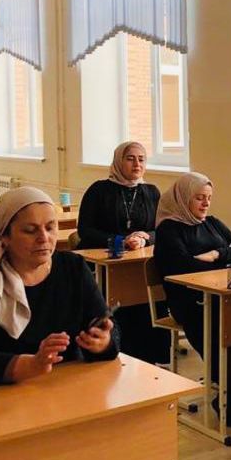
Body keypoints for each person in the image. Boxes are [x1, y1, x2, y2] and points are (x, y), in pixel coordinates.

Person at [0, 187, 119, 385]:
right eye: (30, 230)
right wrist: (32, 365)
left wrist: (103, 342)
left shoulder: (73, 267)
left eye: (50, 228)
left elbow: (106, 326)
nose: (44, 238)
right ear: (4, 236)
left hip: (58, 386)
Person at [154, 172, 231, 427]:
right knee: (222, 328)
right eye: (199, 198)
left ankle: (229, 384)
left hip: (221, 295)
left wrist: (216, 255)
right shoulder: (169, 230)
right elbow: (183, 268)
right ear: (183, 198)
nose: (205, 203)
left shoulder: (211, 223)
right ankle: (226, 392)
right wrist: (225, 261)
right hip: (189, 301)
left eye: (209, 198)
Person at [77, 141, 165, 365]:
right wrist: (120, 241)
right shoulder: (99, 190)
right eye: (130, 158)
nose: (137, 164)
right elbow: (85, 230)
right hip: (105, 264)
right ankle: (115, 350)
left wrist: (144, 238)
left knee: (149, 301)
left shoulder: (151, 192)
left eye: (141, 159)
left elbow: (162, 229)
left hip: (139, 264)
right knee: (118, 305)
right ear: (118, 161)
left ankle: (149, 358)